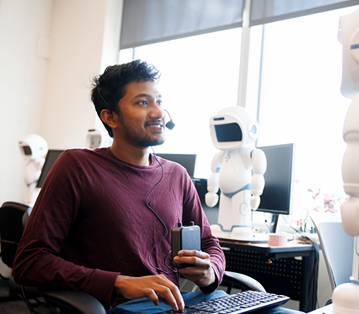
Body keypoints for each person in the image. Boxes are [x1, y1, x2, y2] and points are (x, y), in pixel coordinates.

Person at [13, 60, 225, 312]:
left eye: (159, 101)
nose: (158, 112)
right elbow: (30, 261)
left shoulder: (177, 175)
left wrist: (210, 271)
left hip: (178, 306)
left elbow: (210, 245)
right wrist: (119, 283)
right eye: (143, 102)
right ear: (110, 117)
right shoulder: (76, 166)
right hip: (121, 308)